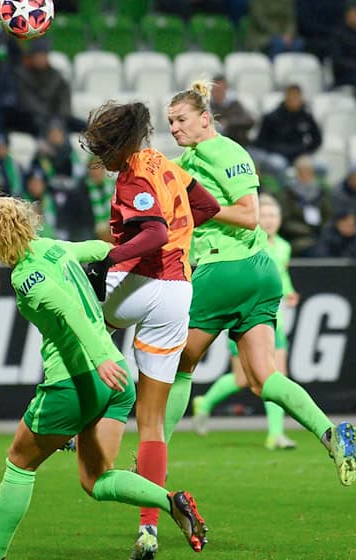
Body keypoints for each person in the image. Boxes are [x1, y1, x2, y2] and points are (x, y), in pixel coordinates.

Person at [0, 194, 208, 560]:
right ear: (29, 223)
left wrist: (99, 358)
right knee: (96, 480)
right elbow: (100, 249)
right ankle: (170, 501)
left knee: (19, 462)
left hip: (75, 380)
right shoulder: (54, 248)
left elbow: (68, 309)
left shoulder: (26, 277)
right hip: (116, 384)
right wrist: (148, 256)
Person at [162, 80, 356, 490]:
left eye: (181, 120)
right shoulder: (189, 159)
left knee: (179, 364)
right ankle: (330, 433)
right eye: (170, 122)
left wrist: (202, 210)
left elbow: (249, 214)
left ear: (204, 118)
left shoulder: (227, 152)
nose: (175, 128)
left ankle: (152, 457)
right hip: (260, 273)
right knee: (261, 378)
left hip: (226, 269)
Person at [79, 101, 220, 560]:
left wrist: (110, 260)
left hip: (144, 279)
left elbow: (154, 234)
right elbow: (207, 205)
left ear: (119, 146)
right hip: (179, 291)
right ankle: (149, 531)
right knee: (152, 422)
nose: (100, 156)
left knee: (76, 312)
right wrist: (180, 233)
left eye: (103, 148)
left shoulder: (134, 175)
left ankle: (73, 412)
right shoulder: (165, 164)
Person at [191, 194, 302, 449]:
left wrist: (290, 291)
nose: (270, 220)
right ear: (254, 217)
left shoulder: (284, 247)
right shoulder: (247, 243)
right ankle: (205, 403)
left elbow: (280, 275)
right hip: (245, 318)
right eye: (265, 215)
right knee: (242, 379)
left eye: (274, 216)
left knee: (276, 375)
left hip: (274, 319)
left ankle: (276, 434)